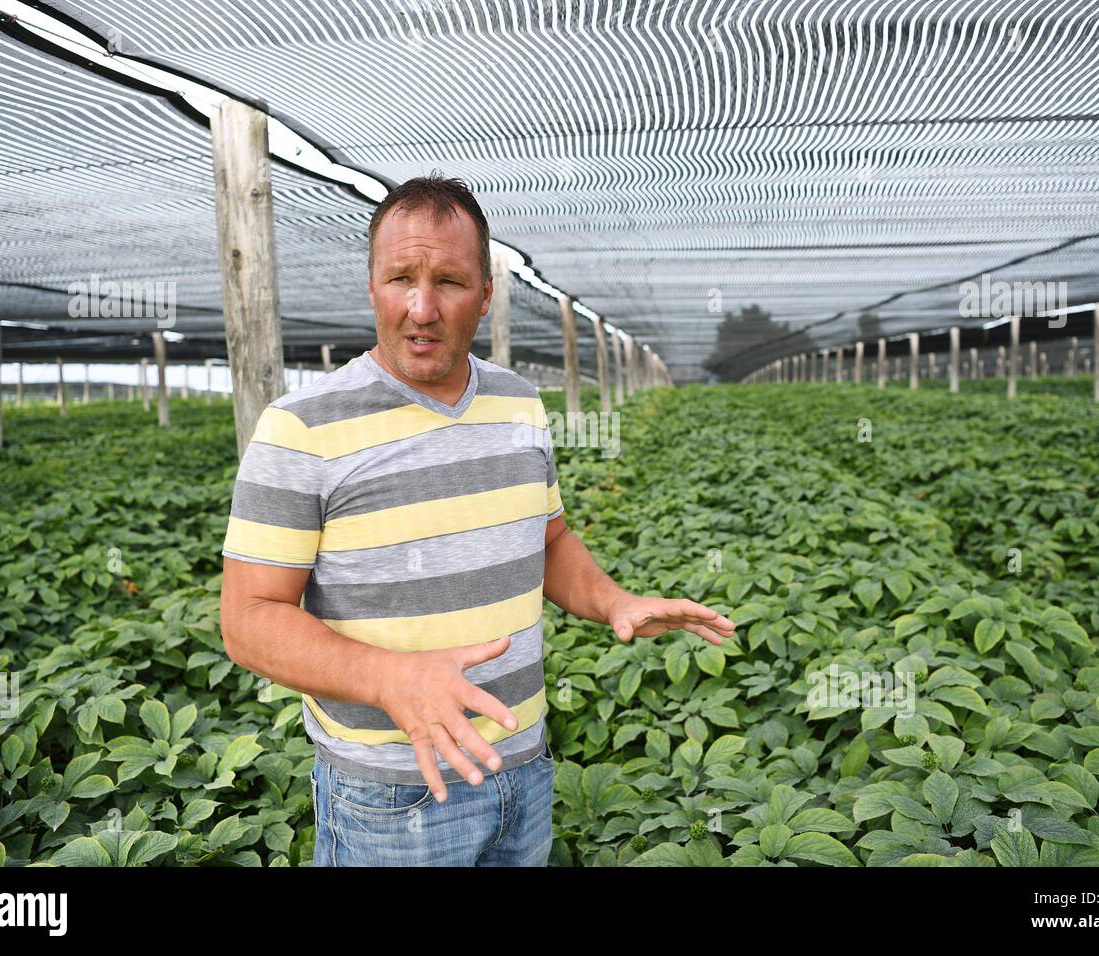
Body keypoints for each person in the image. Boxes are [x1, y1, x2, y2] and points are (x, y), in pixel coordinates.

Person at [218, 173, 735, 867]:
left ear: (487, 294)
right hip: (394, 799)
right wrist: (389, 680)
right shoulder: (300, 428)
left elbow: (547, 541)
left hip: (525, 770)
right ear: (371, 284)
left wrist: (614, 600)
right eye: (400, 277)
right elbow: (249, 619)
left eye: (450, 282)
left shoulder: (519, 404)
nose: (422, 307)